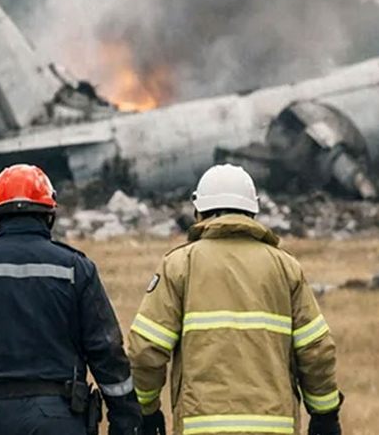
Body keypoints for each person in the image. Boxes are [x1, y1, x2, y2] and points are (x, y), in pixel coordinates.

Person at [0, 164, 141, 435]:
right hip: (61, 419)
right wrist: (125, 416)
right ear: (49, 215)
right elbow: (106, 350)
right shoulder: (75, 269)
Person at [127, 164, 342, 435]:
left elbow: (146, 350)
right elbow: (316, 350)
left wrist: (146, 411)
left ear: (200, 211)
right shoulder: (285, 267)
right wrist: (324, 413)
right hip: (274, 428)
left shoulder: (180, 265)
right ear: (252, 211)